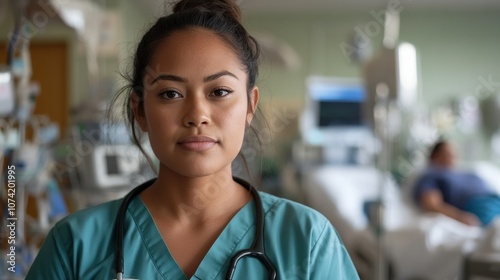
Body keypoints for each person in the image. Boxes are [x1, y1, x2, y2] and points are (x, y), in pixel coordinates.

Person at [25, 0, 359, 279]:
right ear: (139, 110)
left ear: (250, 106)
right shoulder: (76, 247)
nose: (196, 115)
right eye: (170, 93)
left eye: (220, 92)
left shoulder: (308, 242)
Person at [413, 140, 500, 227]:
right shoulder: (432, 175)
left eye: (454, 151)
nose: (453, 154)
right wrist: (460, 217)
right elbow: (431, 204)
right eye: (447, 152)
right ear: (435, 156)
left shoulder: (465, 172)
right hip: (480, 207)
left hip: (495, 199)